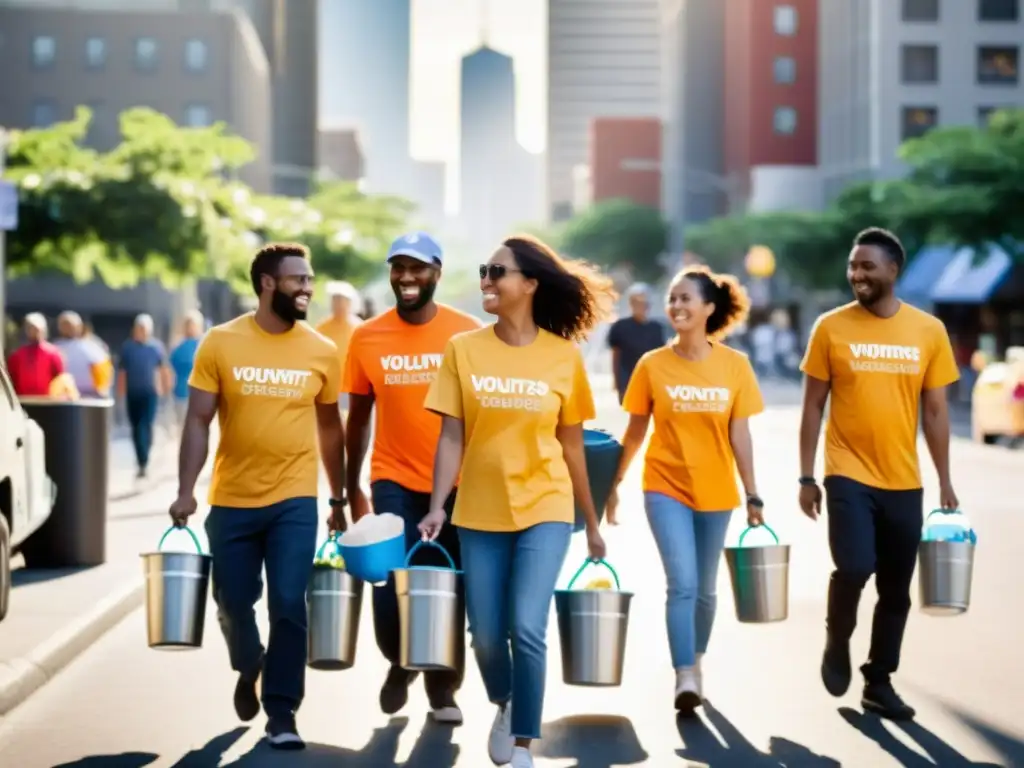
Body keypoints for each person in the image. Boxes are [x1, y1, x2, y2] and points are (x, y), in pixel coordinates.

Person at [417, 234, 614, 768]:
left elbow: (573, 446)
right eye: (484, 269)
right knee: (484, 634)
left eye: (497, 271)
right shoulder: (463, 350)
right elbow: (452, 436)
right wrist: (437, 506)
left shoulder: (562, 357)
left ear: (529, 284)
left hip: (545, 507)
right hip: (479, 509)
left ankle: (525, 741)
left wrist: (591, 523)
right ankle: (505, 700)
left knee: (527, 626)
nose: (486, 279)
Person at [168, 243, 347, 750]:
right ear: (268, 283)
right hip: (232, 499)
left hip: (294, 499)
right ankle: (251, 665)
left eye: (310, 280)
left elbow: (331, 429)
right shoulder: (220, 343)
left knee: (290, 602)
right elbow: (198, 420)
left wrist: (337, 500)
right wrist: (185, 491)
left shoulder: (321, 350)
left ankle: (283, 712)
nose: (307, 289)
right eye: (297, 280)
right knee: (232, 600)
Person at [799, 227, 960, 721]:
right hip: (846, 472)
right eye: (853, 266)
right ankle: (836, 636)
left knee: (895, 589)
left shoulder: (928, 331)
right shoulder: (830, 327)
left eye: (867, 266)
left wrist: (945, 479)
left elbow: (934, 412)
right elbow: (813, 407)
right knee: (853, 566)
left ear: (894, 270)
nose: (857, 274)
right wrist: (807, 478)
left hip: (904, 480)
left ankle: (879, 681)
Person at [605, 265, 764, 715]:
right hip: (664, 486)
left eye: (684, 299)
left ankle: (696, 662)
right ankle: (684, 676)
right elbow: (635, 432)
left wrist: (753, 494)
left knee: (708, 590)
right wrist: (614, 482)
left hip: (717, 491)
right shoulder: (652, 365)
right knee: (683, 584)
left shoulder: (736, 367)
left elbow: (741, 435)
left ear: (708, 308)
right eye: (671, 298)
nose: (675, 306)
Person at [343, 231, 480, 724]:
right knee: (390, 579)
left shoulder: (466, 334)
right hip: (392, 477)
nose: (406, 277)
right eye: (398, 267)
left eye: (417, 268)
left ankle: (443, 689)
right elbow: (357, 418)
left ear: (437, 273)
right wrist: (347, 487)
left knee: (449, 584)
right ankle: (400, 660)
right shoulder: (367, 337)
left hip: (459, 481)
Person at [117, 314, 171, 479]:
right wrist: (121, 391)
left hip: (150, 393)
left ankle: (144, 459)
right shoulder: (127, 348)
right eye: (138, 328)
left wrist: (165, 386)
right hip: (133, 393)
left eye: (144, 328)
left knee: (146, 425)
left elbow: (163, 369)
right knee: (135, 427)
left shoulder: (156, 347)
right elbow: (122, 372)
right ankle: (141, 459)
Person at [607, 283, 668, 404]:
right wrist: (616, 380)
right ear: (631, 303)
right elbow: (615, 354)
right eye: (636, 302)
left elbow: (662, 357)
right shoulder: (620, 326)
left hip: (650, 380)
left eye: (643, 302)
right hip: (627, 380)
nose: (640, 306)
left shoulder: (657, 328)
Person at [315, 280, 363, 414]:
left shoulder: (359, 328)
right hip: (329, 387)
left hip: (353, 387)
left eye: (342, 301)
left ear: (350, 303)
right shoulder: (322, 328)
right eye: (335, 300)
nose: (339, 305)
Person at [55, 311, 113, 398]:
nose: (68, 328)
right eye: (64, 325)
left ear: (80, 326)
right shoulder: (54, 347)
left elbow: (104, 370)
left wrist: (102, 389)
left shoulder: (93, 346)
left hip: (89, 396)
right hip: (63, 396)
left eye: (71, 325)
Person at [6, 313, 65, 397]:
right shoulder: (18, 355)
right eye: (31, 329)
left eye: (37, 329)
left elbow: (60, 377)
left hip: (47, 401)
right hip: (23, 400)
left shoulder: (53, 353)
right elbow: (12, 377)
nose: (34, 332)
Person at [168, 311, 205, 432]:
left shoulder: (205, 346)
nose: (191, 328)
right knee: (184, 429)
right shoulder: (178, 348)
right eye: (188, 325)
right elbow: (170, 370)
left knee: (198, 430)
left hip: (201, 394)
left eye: (193, 325)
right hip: (181, 394)